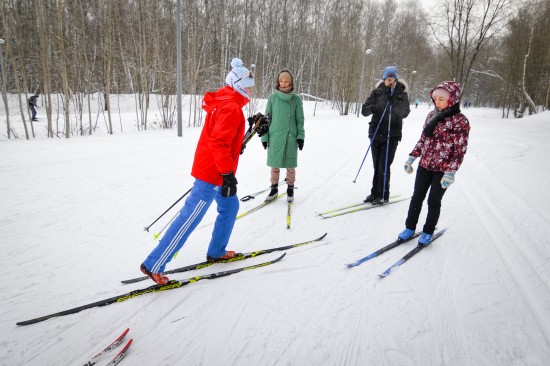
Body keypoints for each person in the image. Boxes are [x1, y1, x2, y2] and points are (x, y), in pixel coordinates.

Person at [140, 58, 254, 285]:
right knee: (190, 217)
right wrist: (227, 175)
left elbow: (228, 141)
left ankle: (217, 251)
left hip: (219, 171)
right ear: (238, 83)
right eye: (248, 83)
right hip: (213, 173)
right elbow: (219, 144)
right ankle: (154, 264)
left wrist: (252, 128)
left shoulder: (227, 102)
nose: (251, 87)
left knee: (230, 206)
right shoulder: (231, 107)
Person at [398, 81, 470, 245]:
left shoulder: (460, 121)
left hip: (442, 170)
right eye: (435, 98)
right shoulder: (431, 116)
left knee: (433, 201)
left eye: (441, 99)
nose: (437, 102)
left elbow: (460, 149)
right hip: (425, 165)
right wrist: (412, 157)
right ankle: (409, 228)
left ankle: (428, 231)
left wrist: (451, 171)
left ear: (452, 99)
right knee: (416, 198)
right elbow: (423, 140)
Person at [361, 66, 410, 205]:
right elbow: (364, 110)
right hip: (376, 133)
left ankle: (383, 194)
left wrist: (394, 102)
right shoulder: (377, 92)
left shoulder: (401, 93)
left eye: (392, 79)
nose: (390, 81)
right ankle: (374, 193)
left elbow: (405, 112)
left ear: (396, 79)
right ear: (384, 79)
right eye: (387, 79)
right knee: (377, 165)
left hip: (391, 135)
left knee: (384, 165)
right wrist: (374, 108)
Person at [261, 69, 305, 203]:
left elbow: (300, 120)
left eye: (286, 81)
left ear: (291, 83)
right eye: (281, 81)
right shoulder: (272, 98)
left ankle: (290, 188)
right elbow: (266, 120)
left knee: (290, 165)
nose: (284, 84)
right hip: (275, 136)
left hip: (290, 137)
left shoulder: (296, 100)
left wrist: (300, 136)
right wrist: (264, 137)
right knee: (275, 166)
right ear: (278, 82)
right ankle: (274, 189)